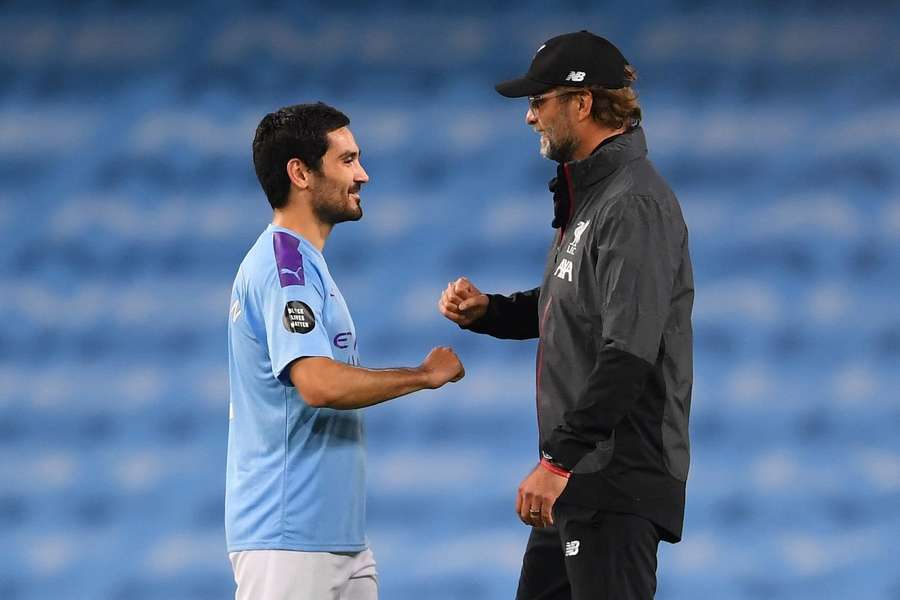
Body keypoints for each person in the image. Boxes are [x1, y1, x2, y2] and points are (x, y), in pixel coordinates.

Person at [438, 31, 694, 599]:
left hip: (612, 475)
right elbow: (575, 309)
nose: (530, 118)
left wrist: (557, 461)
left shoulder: (633, 202)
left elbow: (629, 351)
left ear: (582, 103)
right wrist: (490, 312)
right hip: (583, 476)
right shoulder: (596, 199)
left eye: (538, 101)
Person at [226, 102, 465, 600]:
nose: (363, 174)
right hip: (288, 539)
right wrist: (422, 375)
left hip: (335, 538)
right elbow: (317, 383)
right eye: (348, 160)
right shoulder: (283, 268)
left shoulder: (306, 265)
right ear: (300, 173)